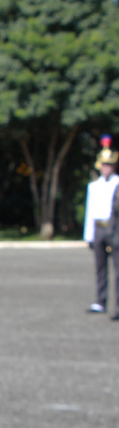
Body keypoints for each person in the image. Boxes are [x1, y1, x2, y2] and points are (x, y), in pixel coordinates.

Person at [83, 134, 119, 316]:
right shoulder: (93, 186)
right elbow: (90, 212)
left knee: (118, 269)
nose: (106, 168)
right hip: (98, 229)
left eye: (109, 164)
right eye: (104, 164)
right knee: (100, 268)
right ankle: (100, 302)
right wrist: (88, 235)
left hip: (115, 229)